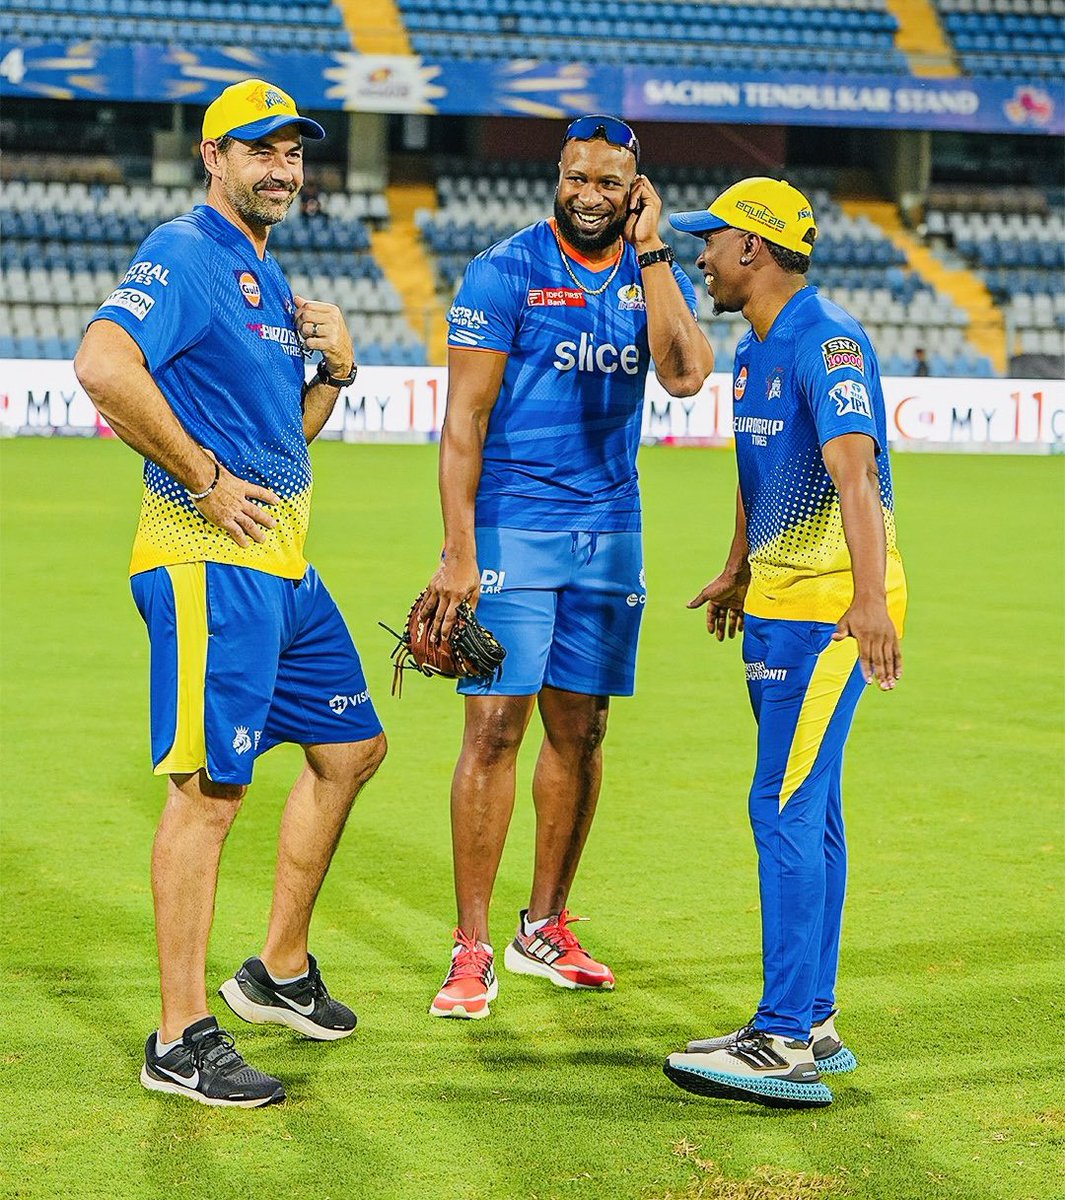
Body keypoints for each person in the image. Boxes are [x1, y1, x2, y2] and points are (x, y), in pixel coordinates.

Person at [74, 79, 387, 1107]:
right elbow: (102, 363)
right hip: (209, 564)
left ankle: (275, 973)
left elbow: (284, 442)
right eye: (262, 151)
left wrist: (336, 370)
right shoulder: (185, 251)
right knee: (211, 795)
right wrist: (204, 479)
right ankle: (178, 1037)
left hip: (282, 567)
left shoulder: (263, 269)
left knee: (351, 750)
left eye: (295, 153)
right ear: (214, 156)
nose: (284, 169)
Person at [423, 115, 715, 1019]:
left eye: (608, 183)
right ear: (557, 175)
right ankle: (471, 949)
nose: (589, 196)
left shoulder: (646, 265)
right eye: (575, 178)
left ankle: (542, 925)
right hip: (513, 525)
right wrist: (457, 550)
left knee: (582, 732)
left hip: (610, 530)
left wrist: (656, 253)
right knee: (494, 729)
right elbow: (462, 422)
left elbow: (685, 376)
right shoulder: (503, 270)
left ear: (635, 188)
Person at [662, 178, 907, 1108]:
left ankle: (779, 1044)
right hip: (779, 600)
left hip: (828, 615)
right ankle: (809, 1017)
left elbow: (852, 474)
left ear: (754, 251)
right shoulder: (757, 348)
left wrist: (870, 603)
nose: (702, 255)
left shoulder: (826, 340)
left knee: (784, 807)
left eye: (713, 242)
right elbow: (756, 469)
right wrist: (736, 566)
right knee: (814, 808)